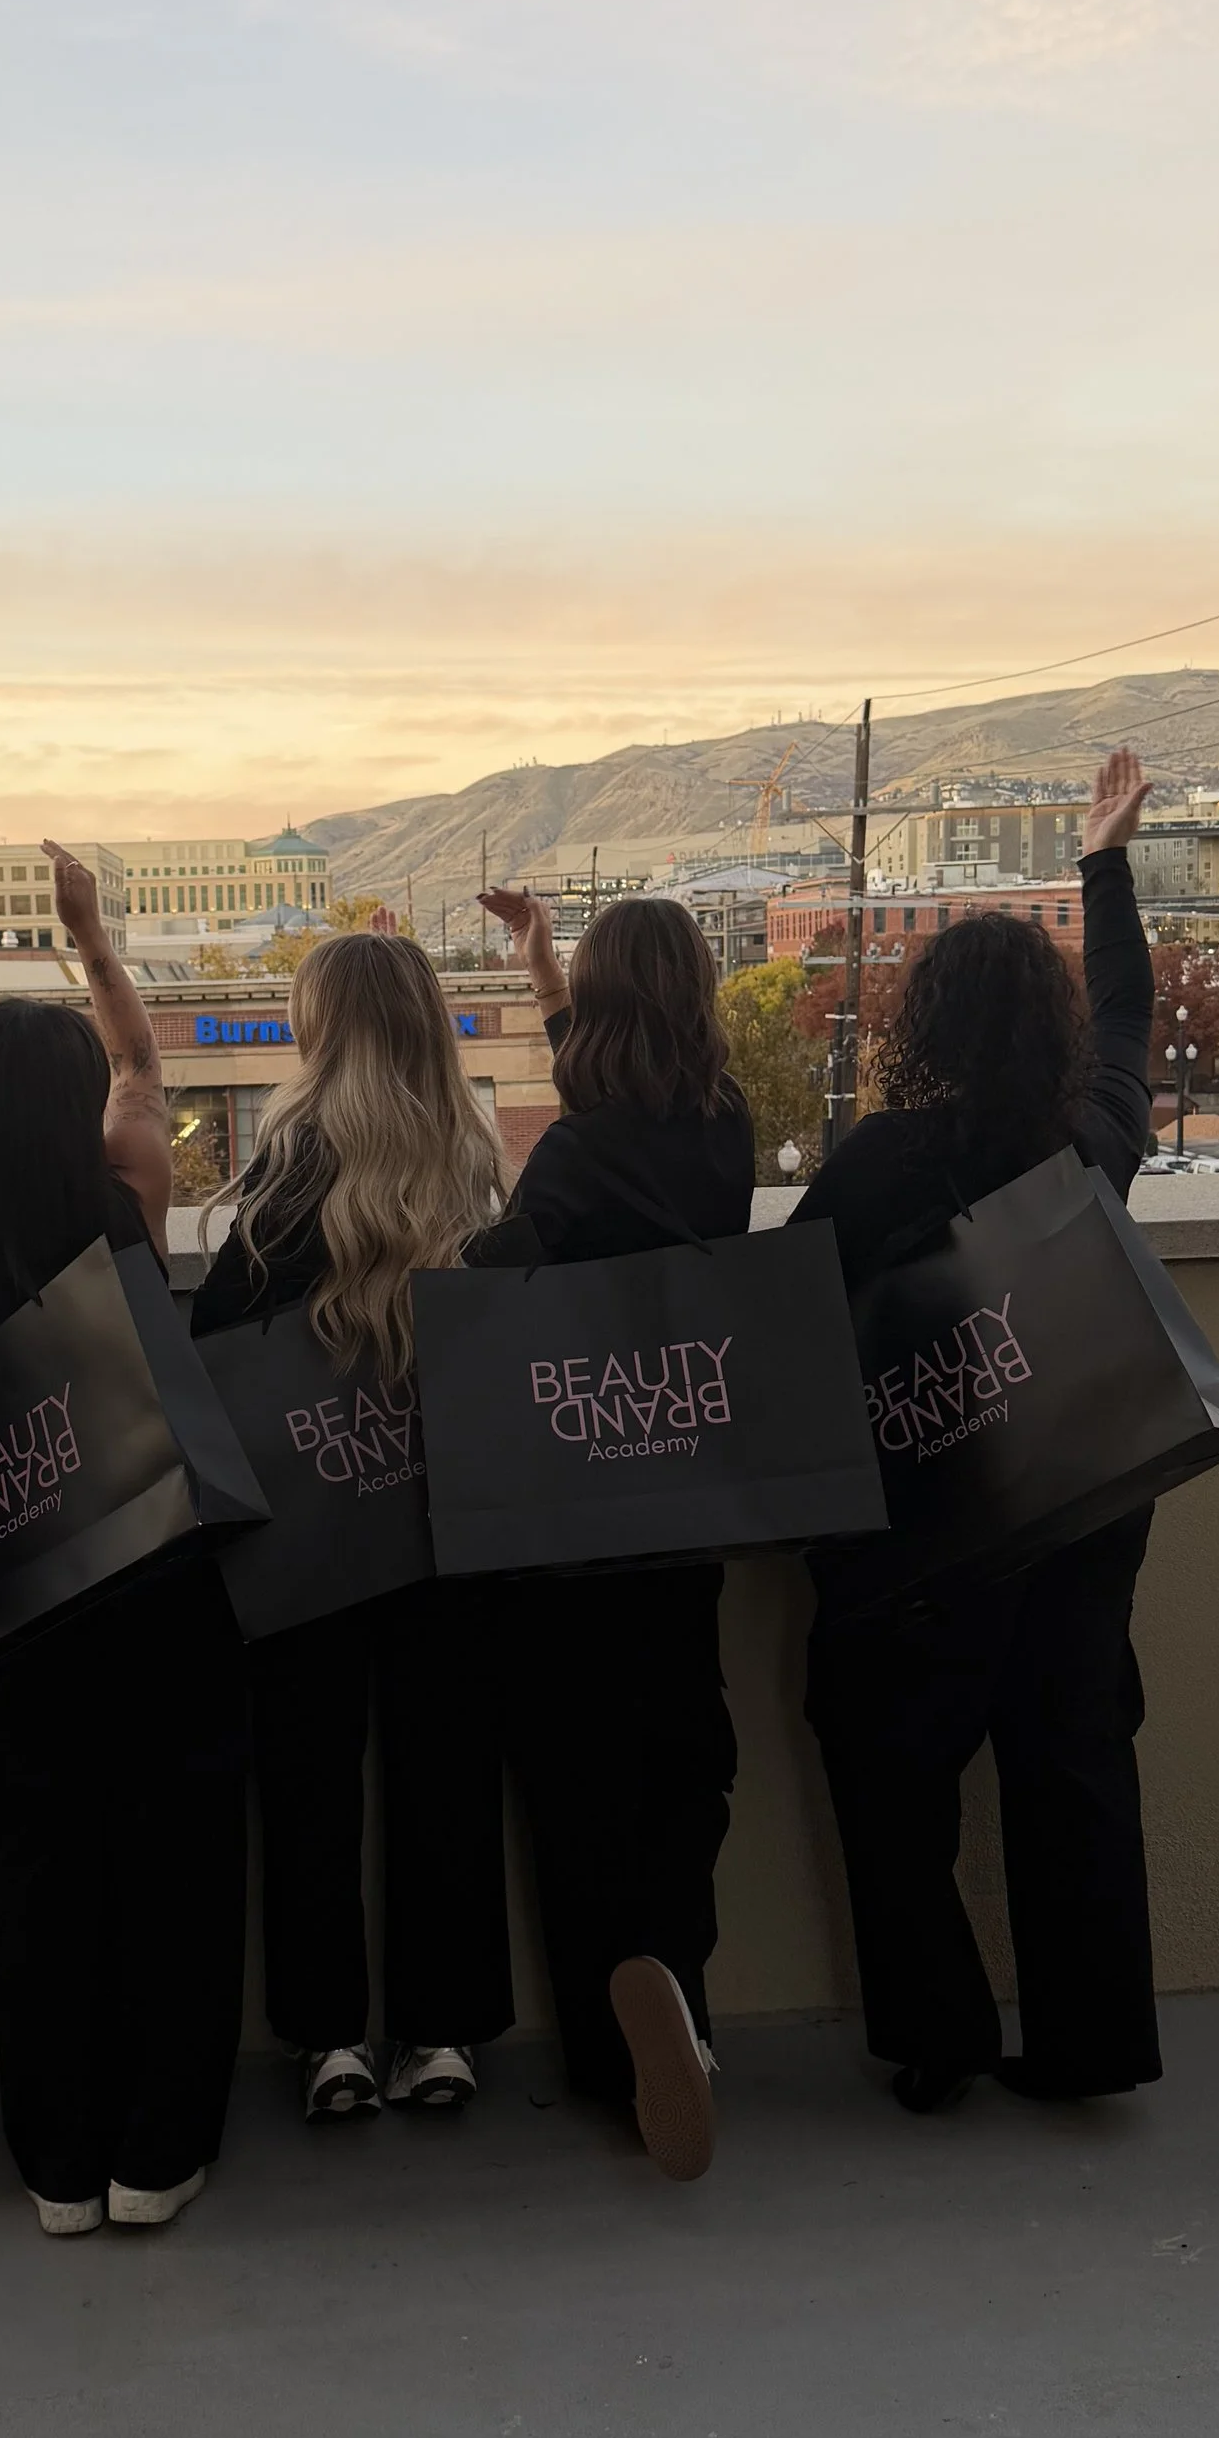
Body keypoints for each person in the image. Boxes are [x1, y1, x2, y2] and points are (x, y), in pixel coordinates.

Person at [0, 843, 249, 2239]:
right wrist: (91, 940)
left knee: (32, 1870)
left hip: (11, 1598)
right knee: (177, 1865)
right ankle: (161, 2153)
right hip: (153, 1576)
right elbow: (142, 1059)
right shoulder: (130, 1190)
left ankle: (58, 2162)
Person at [793, 745, 1160, 2116]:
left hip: (927, 1532)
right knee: (1072, 1754)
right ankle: (1090, 2045)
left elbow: (797, 1329)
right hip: (1084, 1496)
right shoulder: (1096, 1137)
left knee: (890, 1769)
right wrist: (1104, 862)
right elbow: (1126, 1016)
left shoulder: (879, 1164)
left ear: (925, 1030)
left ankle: (935, 2033)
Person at [192, 928, 513, 2123]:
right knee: (447, 1770)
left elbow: (220, 1340)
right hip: (448, 1510)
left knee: (310, 1775)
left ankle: (328, 2038)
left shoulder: (286, 1176)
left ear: (320, 1033)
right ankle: (444, 2033)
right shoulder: (471, 1168)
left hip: (315, 1521)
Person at [473, 887, 756, 2183]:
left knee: (574, 1774)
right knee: (681, 1755)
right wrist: (545, 969)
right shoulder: (723, 1136)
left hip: (568, 1509)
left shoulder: (573, 1164)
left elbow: (501, 1273)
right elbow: (620, 1116)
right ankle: (679, 1993)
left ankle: (609, 2044)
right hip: (686, 1496)